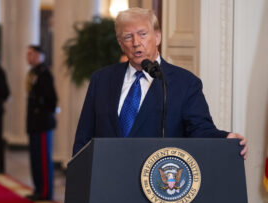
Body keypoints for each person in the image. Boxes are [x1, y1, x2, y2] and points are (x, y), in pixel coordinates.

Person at [73, 8, 247, 159]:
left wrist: (226, 139)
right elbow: (83, 139)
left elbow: (200, 130)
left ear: (157, 37)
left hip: (157, 184)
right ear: (120, 44)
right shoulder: (101, 80)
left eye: (142, 34)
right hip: (107, 182)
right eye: (128, 36)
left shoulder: (185, 83)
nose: (136, 43)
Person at [25, 45, 58, 201]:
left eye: (31, 54)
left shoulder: (44, 74)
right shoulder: (33, 73)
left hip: (42, 122)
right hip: (34, 122)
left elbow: (51, 99)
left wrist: (43, 113)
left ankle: (45, 192)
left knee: (43, 159)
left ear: (39, 56)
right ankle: (38, 189)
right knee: (35, 158)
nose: (28, 56)